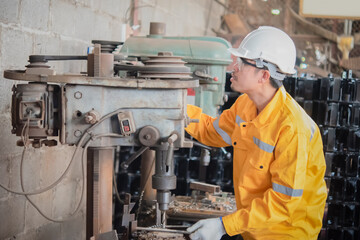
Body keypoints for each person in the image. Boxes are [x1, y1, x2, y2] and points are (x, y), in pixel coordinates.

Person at [185, 26, 327, 240]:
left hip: (286, 233)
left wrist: (224, 226)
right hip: (253, 227)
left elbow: (283, 202)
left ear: (264, 75)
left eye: (242, 62)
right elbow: (210, 131)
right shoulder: (245, 105)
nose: (234, 66)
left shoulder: (292, 127)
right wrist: (174, 108)